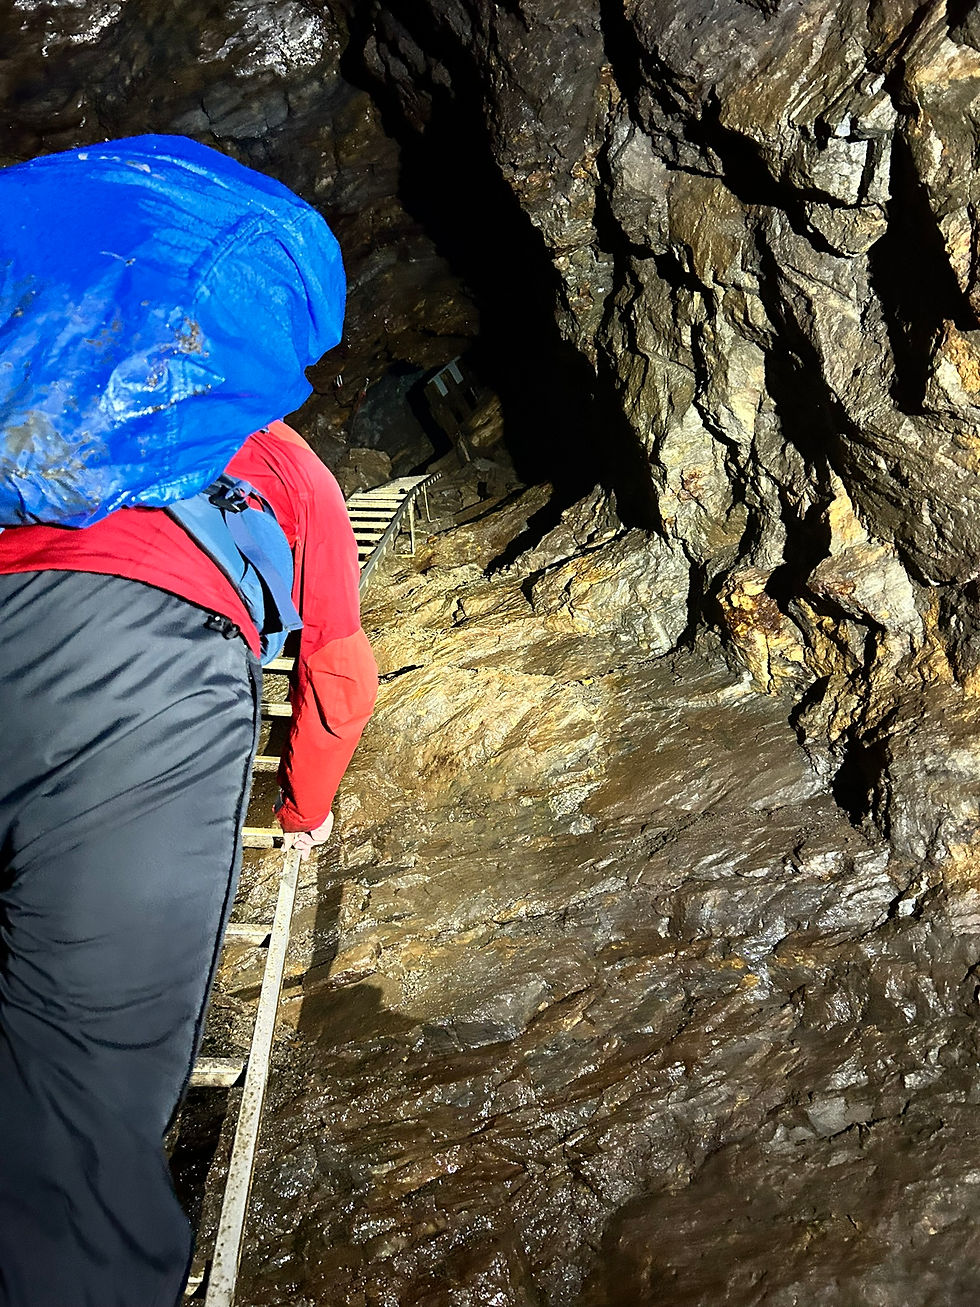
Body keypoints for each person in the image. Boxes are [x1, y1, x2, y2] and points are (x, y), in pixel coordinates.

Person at [0, 417, 378, 1307]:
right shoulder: (288, 463)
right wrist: (304, 809)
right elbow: (340, 673)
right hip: (138, 660)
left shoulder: (53, 395)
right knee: (77, 1122)